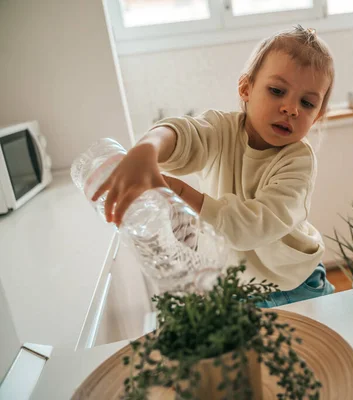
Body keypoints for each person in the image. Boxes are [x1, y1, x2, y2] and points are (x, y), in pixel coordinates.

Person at [92, 25, 336, 306]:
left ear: (317, 116)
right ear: (246, 88)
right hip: (238, 286)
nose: (291, 108)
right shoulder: (221, 130)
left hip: (296, 282)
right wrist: (149, 146)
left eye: (307, 103)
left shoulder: (298, 161)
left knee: (322, 343)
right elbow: (187, 134)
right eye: (277, 90)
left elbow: (254, 226)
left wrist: (183, 193)